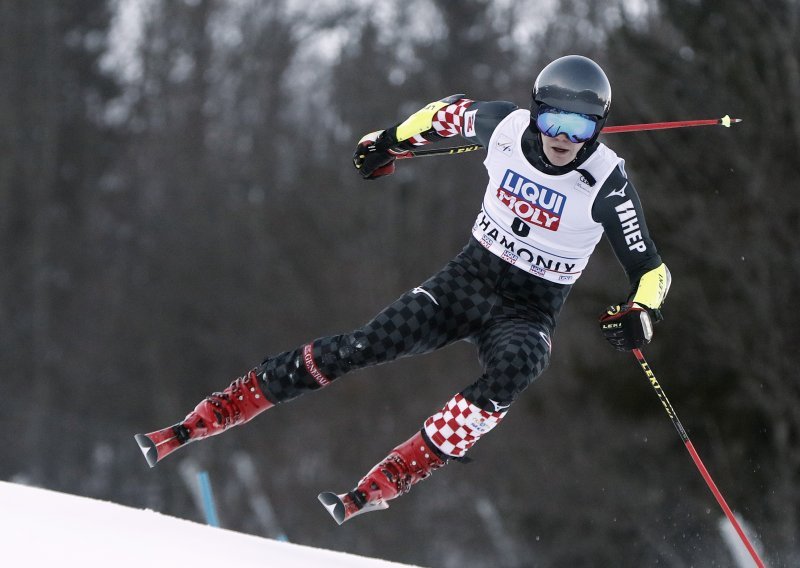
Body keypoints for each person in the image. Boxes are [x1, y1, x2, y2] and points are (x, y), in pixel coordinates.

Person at [152, 55, 670, 523]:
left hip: (527, 310)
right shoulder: (504, 126)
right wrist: (386, 141)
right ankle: (225, 407)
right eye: (553, 119)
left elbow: (651, 269)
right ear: (535, 112)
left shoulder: (608, 182)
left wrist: (641, 311)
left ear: (598, 129)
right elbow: (443, 113)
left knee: (520, 367)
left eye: (580, 126)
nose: (563, 137)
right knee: (366, 345)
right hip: (467, 282)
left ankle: (397, 473)